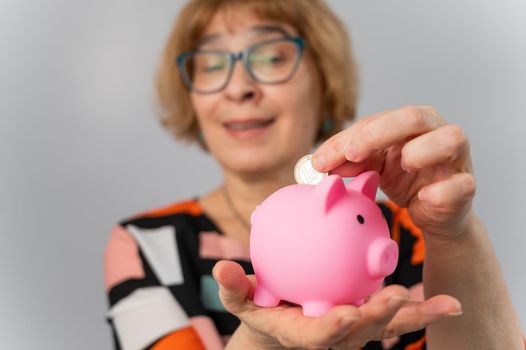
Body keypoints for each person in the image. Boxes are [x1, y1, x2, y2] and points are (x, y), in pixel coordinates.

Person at [103, 1, 524, 349]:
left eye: (270, 57)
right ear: (191, 96)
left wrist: (454, 235)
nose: (239, 88)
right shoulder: (148, 244)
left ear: (324, 82)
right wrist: (262, 337)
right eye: (211, 65)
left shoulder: (412, 237)